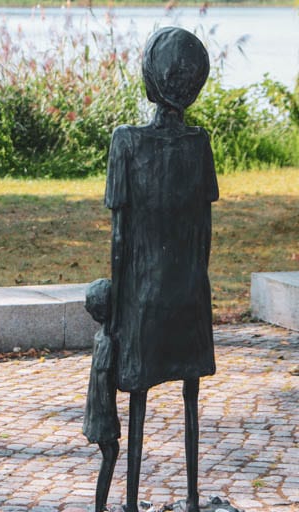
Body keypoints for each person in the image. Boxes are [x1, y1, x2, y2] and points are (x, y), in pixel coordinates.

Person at [105, 27, 218, 512]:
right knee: (190, 395)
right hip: (190, 292)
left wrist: (115, 308)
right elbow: (205, 232)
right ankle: (191, 497)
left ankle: (130, 502)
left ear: (151, 78)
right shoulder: (200, 144)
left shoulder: (126, 142)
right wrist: (195, 281)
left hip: (144, 296)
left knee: (139, 399)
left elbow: (118, 237)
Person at [83, 278, 120, 512]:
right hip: (102, 412)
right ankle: (99, 506)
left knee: (111, 453)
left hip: (97, 408)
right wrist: (110, 416)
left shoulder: (102, 335)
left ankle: (101, 505)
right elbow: (105, 379)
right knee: (110, 454)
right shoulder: (107, 340)